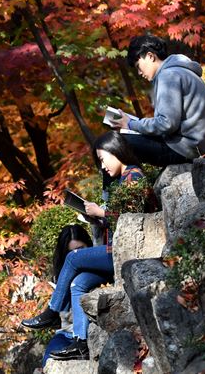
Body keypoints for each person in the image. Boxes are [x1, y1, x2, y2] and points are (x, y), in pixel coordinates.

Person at [21, 131, 144, 361]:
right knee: (78, 283)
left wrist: (102, 212)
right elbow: (120, 218)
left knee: (73, 257)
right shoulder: (121, 179)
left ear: (115, 151)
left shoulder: (133, 176)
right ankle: (80, 342)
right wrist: (97, 218)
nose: (103, 166)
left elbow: (132, 217)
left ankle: (52, 312)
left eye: (102, 158)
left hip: (121, 253)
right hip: (113, 252)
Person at [111, 34, 205, 167]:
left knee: (115, 143)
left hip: (184, 149)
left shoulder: (168, 76)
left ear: (150, 56)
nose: (139, 72)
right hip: (195, 145)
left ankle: (126, 186)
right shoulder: (182, 71)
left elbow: (166, 124)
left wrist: (131, 125)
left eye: (138, 66)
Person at [40, 225, 93, 368]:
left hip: (86, 336)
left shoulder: (96, 271)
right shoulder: (61, 276)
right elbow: (65, 317)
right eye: (71, 253)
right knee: (49, 362)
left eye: (81, 250)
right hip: (66, 335)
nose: (77, 256)